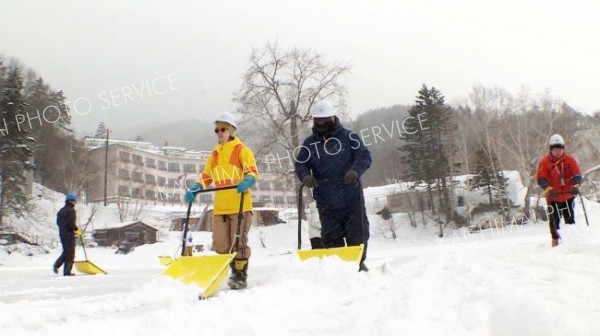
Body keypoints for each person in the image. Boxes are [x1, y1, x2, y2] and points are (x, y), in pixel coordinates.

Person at [295, 100, 372, 271]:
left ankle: (359, 263)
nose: (321, 124)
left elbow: (364, 156)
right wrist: (305, 176)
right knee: (331, 238)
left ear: (333, 118)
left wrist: (355, 171)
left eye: (325, 120)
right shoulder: (309, 144)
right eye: (318, 121)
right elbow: (300, 164)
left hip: (351, 197)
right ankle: (338, 269)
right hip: (326, 200)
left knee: (357, 234)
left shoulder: (349, 137)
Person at [185, 112, 258, 289]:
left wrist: (247, 181)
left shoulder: (243, 150)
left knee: (238, 242)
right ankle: (226, 273)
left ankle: (239, 275)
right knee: (220, 243)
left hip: (240, 204)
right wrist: (196, 187)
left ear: (231, 130)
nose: (219, 132)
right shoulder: (214, 155)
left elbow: (252, 172)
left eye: (223, 129)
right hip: (220, 207)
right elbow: (206, 176)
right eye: (217, 130)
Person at [536, 134, 582, 247]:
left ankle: (571, 241)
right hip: (553, 197)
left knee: (570, 220)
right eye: (555, 149)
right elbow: (541, 178)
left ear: (563, 149)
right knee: (554, 221)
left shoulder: (570, 160)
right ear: (551, 149)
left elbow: (577, 173)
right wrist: (547, 188)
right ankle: (556, 240)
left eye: (560, 149)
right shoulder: (545, 162)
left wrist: (576, 185)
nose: (558, 152)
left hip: (568, 196)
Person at [53, 193, 80, 276]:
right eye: (75, 201)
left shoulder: (61, 211)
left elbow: (58, 223)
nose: (75, 203)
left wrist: (64, 229)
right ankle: (67, 272)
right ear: (71, 201)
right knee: (70, 253)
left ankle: (57, 265)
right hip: (69, 234)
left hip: (62, 234)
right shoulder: (71, 211)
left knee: (66, 252)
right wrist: (76, 229)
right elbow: (71, 223)